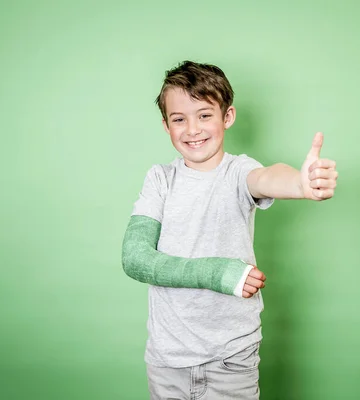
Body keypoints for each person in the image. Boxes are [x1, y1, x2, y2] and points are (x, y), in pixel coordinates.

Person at [122, 60, 338, 399]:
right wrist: (217, 272)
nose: (192, 129)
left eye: (205, 115)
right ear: (166, 126)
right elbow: (135, 258)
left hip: (231, 357)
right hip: (168, 359)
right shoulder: (160, 179)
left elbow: (266, 178)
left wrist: (299, 182)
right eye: (179, 119)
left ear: (228, 117)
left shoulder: (239, 173)